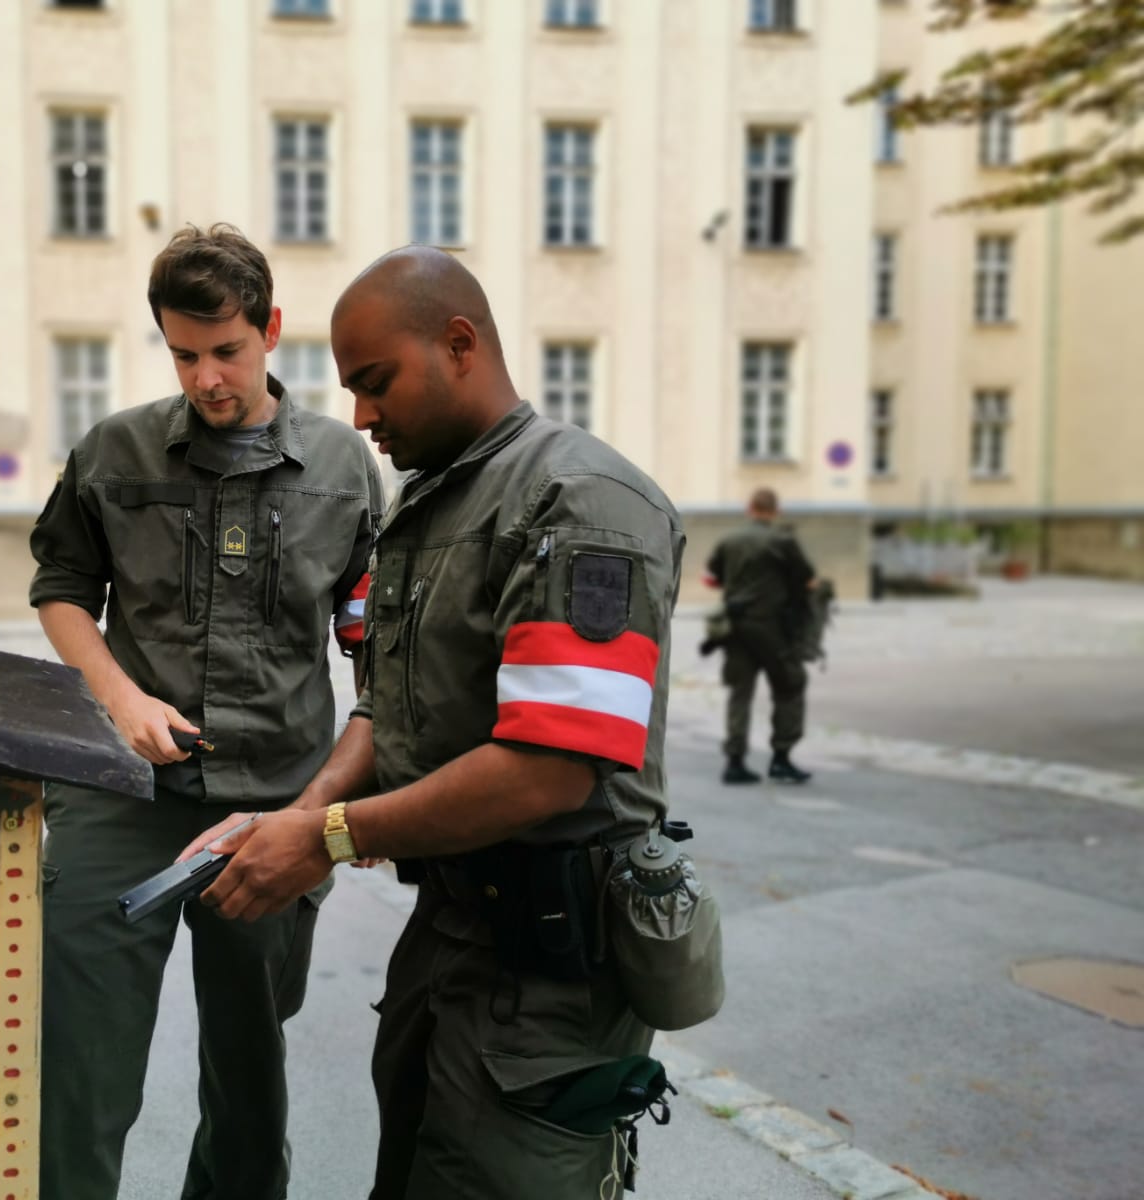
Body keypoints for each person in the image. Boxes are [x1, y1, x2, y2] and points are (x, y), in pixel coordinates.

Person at [179, 246, 687, 1198]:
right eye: (352, 390)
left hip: (549, 974)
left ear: (459, 344)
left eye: (376, 383)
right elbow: (389, 702)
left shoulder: (580, 500)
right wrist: (301, 815)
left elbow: (552, 767)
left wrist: (325, 838)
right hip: (451, 935)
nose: (361, 416)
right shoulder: (432, 500)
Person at [28, 223, 382, 1200]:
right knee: (78, 1065)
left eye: (226, 351)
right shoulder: (115, 451)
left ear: (270, 330)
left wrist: (350, 802)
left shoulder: (344, 468)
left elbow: (375, 645)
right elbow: (61, 588)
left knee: (248, 1073)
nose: (207, 378)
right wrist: (121, 698)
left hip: (276, 804)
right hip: (124, 797)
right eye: (184, 355)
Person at [704, 487, 816, 785]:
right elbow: (806, 579)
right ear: (776, 511)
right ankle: (781, 758)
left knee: (740, 693)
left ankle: (735, 762)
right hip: (772, 629)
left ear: (749, 508)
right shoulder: (783, 541)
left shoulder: (729, 540)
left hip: (735, 629)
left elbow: (713, 576)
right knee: (790, 685)